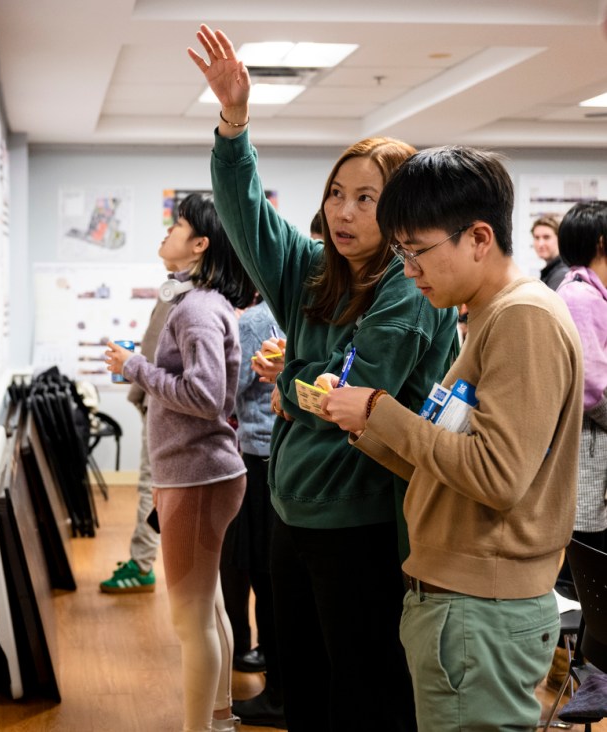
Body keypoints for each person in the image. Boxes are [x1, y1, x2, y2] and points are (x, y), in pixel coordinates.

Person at [189, 24, 458, 731]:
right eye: (338, 192)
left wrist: (291, 383)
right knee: (302, 682)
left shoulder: (407, 283)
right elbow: (244, 215)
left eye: (367, 199)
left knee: (364, 692)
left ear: (399, 210)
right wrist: (235, 122)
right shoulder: (314, 270)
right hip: (293, 510)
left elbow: (357, 401)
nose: (343, 210)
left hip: (363, 521)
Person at [321, 146, 582, 731]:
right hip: (462, 602)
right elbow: (457, 461)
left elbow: (497, 476)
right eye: (401, 253)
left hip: (479, 610)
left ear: (479, 238)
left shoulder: (523, 318)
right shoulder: (489, 313)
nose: (408, 270)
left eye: (417, 251)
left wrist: (380, 409)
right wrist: (368, 425)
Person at [104, 193, 249, 732]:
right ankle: (220, 719)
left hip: (198, 474)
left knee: (191, 621)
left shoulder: (195, 309)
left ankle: (200, 729)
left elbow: (207, 395)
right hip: (200, 472)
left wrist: (137, 368)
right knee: (208, 609)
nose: (164, 236)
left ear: (200, 244)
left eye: (176, 226)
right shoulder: (200, 303)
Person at [221, 291, 286, 728]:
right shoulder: (291, 310)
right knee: (271, 577)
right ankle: (277, 684)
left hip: (258, 456)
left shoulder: (253, 321)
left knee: (260, 575)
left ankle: (277, 692)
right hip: (277, 454)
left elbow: (226, 391)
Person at [99, 294, 173, 593]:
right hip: (158, 402)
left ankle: (142, 565)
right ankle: (141, 561)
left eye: (170, 240)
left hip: (164, 406)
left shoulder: (191, 297)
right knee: (151, 485)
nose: (164, 242)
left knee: (151, 485)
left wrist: (133, 367)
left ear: (199, 244)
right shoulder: (174, 290)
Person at [557, 201, 607, 554]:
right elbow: (592, 386)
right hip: (588, 447)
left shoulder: (584, 291)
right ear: (602, 243)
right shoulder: (580, 296)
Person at [532, 214, 570, 290]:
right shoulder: (551, 270)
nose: (540, 244)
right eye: (537, 238)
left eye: (546, 237)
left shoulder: (562, 274)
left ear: (559, 238)